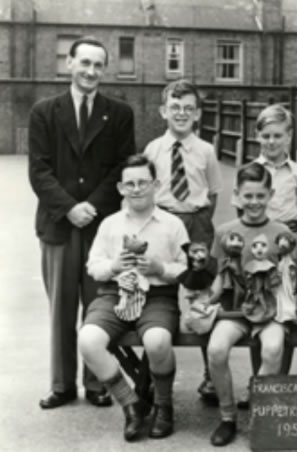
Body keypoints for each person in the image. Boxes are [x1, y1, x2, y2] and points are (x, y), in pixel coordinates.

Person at [28, 35, 135, 409]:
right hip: (58, 224)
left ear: (104, 70)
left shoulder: (119, 113)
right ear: (69, 64)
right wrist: (69, 207)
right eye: (84, 63)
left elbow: (122, 166)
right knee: (61, 308)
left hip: (100, 226)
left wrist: (91, 205)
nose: (91, 71)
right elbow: (39, 170)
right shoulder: (44, 111)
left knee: (96, 306)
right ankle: (61, 385)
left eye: (98, 65)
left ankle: (96, 383)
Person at [78, 155, 188, 441]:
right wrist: (114, 266)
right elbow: (94, 267)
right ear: (120, 188)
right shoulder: (110, 224)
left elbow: (187, 270)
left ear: (156, 185)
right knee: (88, 340)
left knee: (157, 340)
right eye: (130, 184)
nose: (136, 189)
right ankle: (132, 405)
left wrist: (159, 267)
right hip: (115, 293)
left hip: (157, 295)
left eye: (143, 182)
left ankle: (164, 406)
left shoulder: (172, 224)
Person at [143, 79, 222, 404]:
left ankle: (210, 376)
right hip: (162, 220)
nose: (181, 113)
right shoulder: (152, 149)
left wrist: (198, 222)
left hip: (196, 221)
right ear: (164, 111)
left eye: (189, 108)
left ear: (198, 114)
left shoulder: (206, 150)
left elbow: (214, 193)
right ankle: (150, 376)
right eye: (175, 107)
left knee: (200, 296)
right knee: (158, 291)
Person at [207, 162, 293, 447]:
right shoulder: (224, 231)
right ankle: (228, 416)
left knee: (272, 348)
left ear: (270, 195)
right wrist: (207, 301)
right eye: (248, 196)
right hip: (235, 308)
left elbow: (293, 276)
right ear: (237, 196)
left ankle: (260, 410)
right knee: (216, 349)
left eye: (260, 196)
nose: (254, 202)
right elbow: (220, 276)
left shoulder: (283, 232)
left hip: (269, 309)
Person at [231, 104, 297, 233]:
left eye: (278, 136)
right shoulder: (245, 173)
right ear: (257, 136)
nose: (271, 142)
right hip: (256, 234)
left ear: (289, 136)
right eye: (266, 136)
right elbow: (241, 210)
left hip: (287, 236)